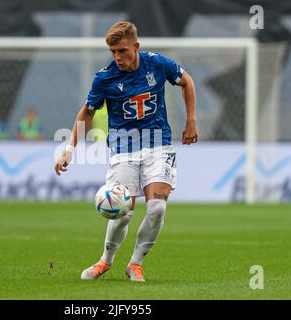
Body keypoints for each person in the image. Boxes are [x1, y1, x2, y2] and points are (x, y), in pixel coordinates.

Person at [54, 21, 198, 282]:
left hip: (158, 144)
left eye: (122, 50)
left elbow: (186, 81)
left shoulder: (157, 63)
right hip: (123, 149)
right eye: (113, 52)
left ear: (136, 46)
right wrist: (69, 149)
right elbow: (87, 113)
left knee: (156, 209)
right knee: (122, 213)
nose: (117, 57)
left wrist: (191, 120)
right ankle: (105, 261)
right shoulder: (104, 78)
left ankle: (135, 264)